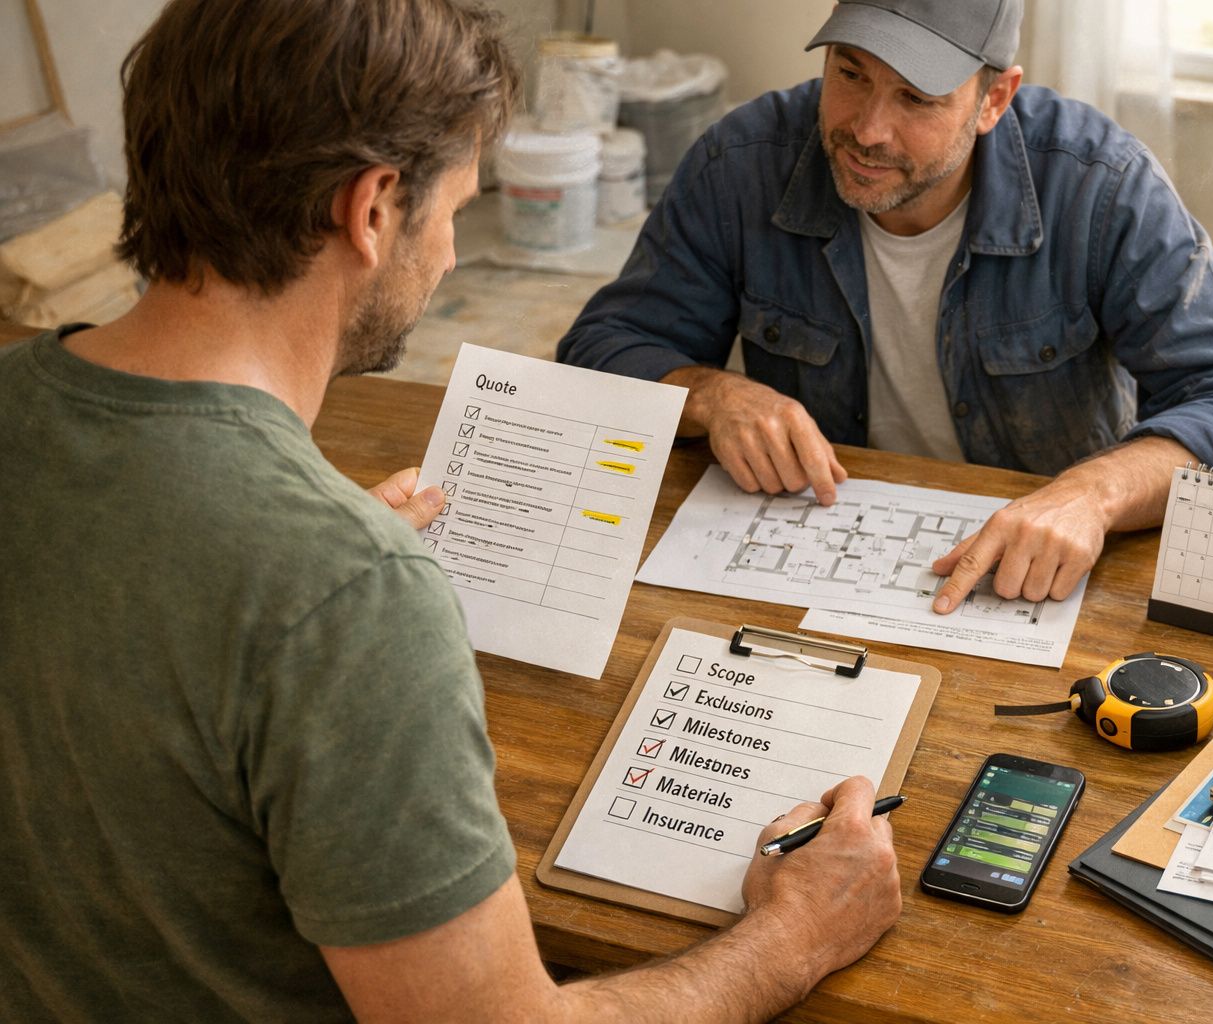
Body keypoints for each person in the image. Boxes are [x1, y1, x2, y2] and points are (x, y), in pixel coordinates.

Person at [0, 1, 898, 1021]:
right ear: (372, 209)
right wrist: (794, 936)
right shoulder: (348, 595)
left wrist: (293, 551)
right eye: (457, 211)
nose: (454, 257)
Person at [557, 0, 1213, 614]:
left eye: (916, 98)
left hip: (1031, 580)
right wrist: (712, 395)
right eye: (850, 74)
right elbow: (602, 347)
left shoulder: (1100, 184)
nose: (866, 129)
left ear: (994, 99)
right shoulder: (742, 162)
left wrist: (1095, 493)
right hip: (819, 553)